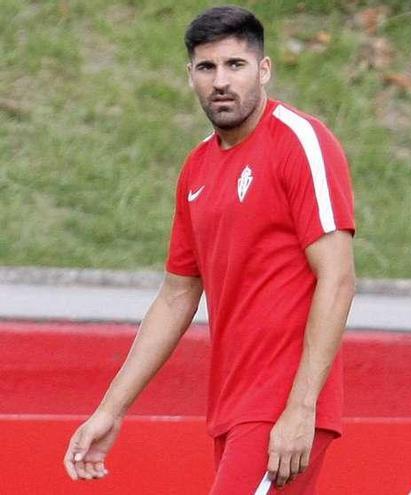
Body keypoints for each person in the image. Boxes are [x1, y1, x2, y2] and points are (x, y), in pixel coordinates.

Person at [63, 6, 356, 494]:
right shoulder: (197, 168)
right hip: (231, 408)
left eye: (235, 65)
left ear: (263, 69)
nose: (221, 81)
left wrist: (301, 407)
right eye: (207, 68)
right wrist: (110, 411)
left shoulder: (301, 142)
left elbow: (339, 278)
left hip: (281, 407)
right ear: (190, 76)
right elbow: (177, 296)